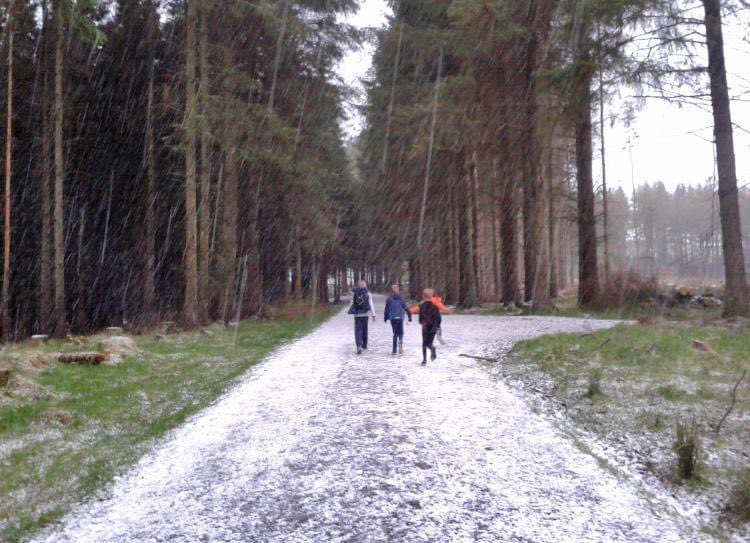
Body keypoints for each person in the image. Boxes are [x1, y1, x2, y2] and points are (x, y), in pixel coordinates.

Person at [348, 280, 376, 355]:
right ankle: (364, 345)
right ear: (365, 286)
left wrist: (352, 311)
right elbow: (371, 304)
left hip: (357, 315)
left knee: (357, 331)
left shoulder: (354, 293)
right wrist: (373, 314)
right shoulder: (368, 294)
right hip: (365, 314)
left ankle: (359, 346)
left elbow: (351, 304)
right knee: (364, 330)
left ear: (358, 286)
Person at [384, 284, 412, 355]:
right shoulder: (401, 299)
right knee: (401, 332)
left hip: (393, 318)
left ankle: (394, 350)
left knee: (395, 333)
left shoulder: (389, 299)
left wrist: (385, 318)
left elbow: (386, 310)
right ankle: (400, 343)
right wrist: (409, 317)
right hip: (400, 318)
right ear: (398, 290)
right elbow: (406, 308)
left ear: (391, 291)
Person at [418, 288, 442, 366]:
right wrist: (438, 326)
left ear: (423, 296)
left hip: (425, 326)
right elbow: (438, 317)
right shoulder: (436, 306)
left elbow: (421, 317)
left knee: (424, 343)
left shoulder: (421, 305)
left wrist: (421, 322)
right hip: (433, 327)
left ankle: (424, 360)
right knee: (429, 343)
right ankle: (432, 349)